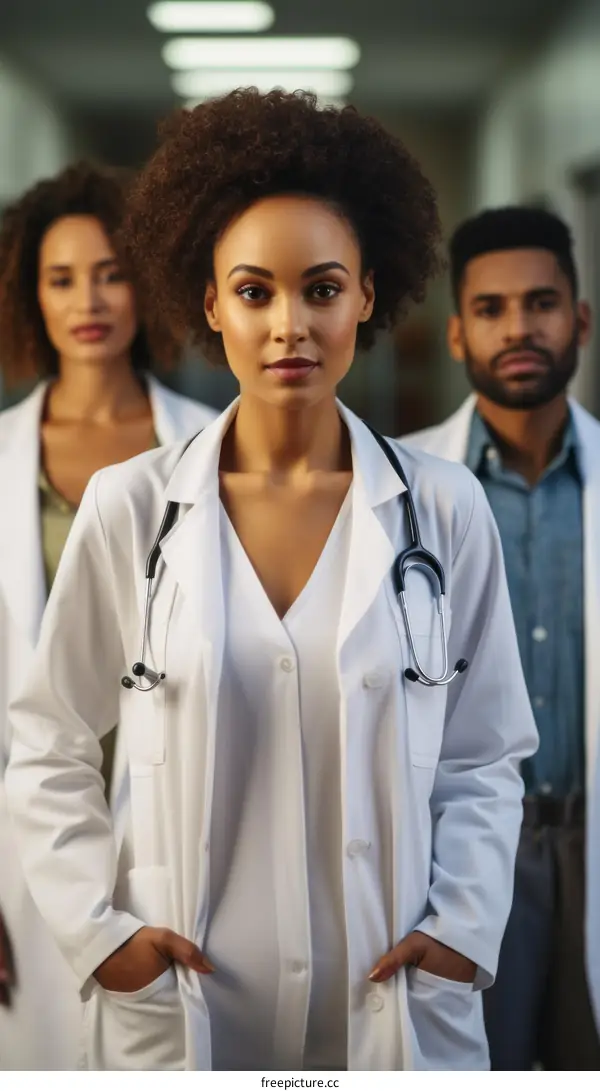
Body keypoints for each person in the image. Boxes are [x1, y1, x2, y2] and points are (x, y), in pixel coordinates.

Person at [5, 91, 537, 1072]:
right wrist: (100, 934)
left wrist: (463, 927)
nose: (290, 323)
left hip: (390, 997)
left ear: (368, 295)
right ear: (211, 303)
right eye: (255, 292)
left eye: (321, 288)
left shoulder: (445, 508)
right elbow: (47, 742)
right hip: (189, 1000)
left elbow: (485, 751)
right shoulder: (134, 507)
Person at [0, 161, 217, 1070]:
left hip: (182, 822)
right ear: (32, 298)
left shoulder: (210, 445)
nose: (89, 297)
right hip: (28, 842)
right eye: (62, 277)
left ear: (152, 284)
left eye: (112, 270)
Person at [401, 205, 600, 1070]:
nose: (518, 327)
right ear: (456, 334)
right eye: (491, 308)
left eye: (541, 302)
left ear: (580, 320)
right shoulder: (403, 487)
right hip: (465, 849)